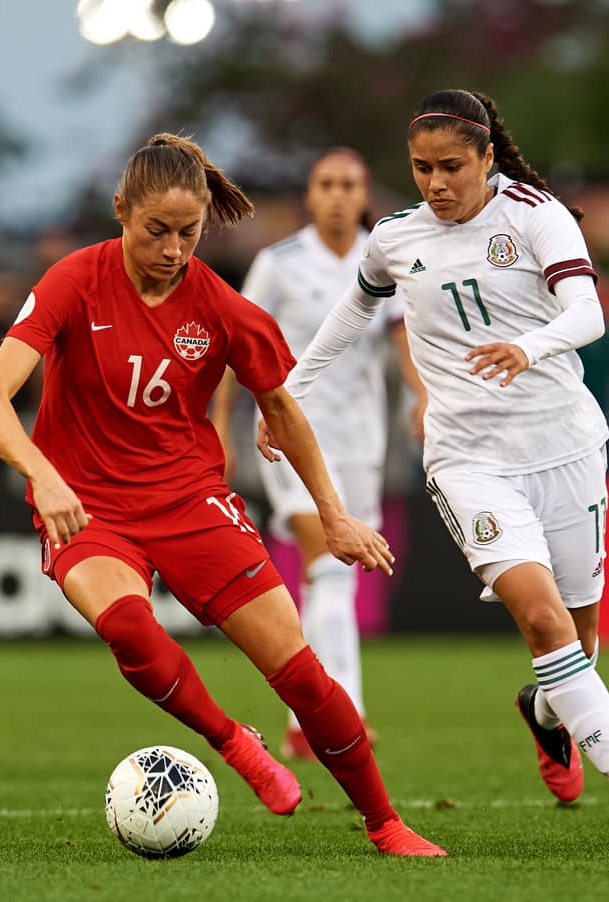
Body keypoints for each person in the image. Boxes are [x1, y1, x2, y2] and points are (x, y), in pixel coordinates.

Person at [0, 133, 445, 857]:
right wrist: (45, 474)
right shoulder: (73, 280)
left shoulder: (220, 306)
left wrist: (333, 516)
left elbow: (283, 411)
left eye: (187, 233)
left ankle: (386, 823)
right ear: (121, 209)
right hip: (87, 503)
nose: (171, 249)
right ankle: (232, 741)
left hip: (190, 499)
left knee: (299, 670)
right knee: (129, 627)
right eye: (155, 230)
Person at [268, 89, 609, 844]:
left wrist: (531, 346)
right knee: (542, 616)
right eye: (422, 168)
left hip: (566, 448)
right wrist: (288, 393)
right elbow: (354, 313)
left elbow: (587, 311)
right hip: (466, 459)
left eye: (451, 166)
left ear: (487, 157)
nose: (435, 183)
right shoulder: (395, 237)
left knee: (579, 640)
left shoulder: (534, 213)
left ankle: (545, 711)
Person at [212, 148, 423, 759]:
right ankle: (347, 717)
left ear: (364, 196)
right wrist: (222, 427)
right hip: (288, 438)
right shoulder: (278, 265)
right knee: (328, 566)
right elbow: (234, 342)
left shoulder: (382, 260)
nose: (336, 194)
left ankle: (302, 721)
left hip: (362, 443)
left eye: (348, 184)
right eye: (326, 184)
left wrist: (423, 397)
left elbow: (401, 336)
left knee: (328, 577)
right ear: (310, 195)